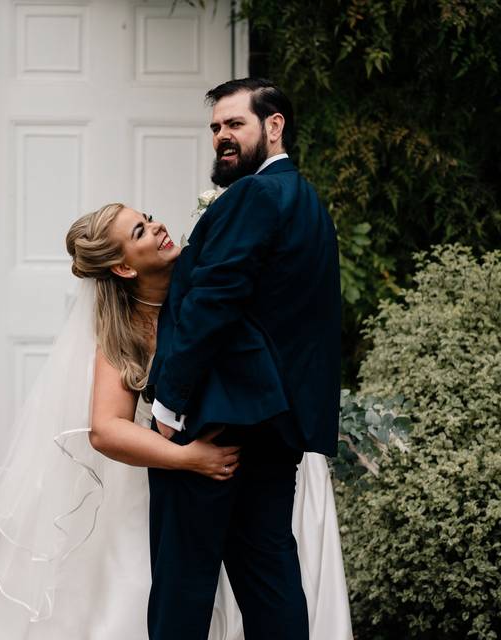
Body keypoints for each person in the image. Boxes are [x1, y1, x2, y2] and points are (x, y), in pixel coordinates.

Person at [0, 201, 351, 638]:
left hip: (260, 458)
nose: (159, 227)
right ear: (125, 269)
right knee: (157, 592)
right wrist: (190, 459)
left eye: (147, 218)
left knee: (265, 582)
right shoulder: (124, 330)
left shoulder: (214, 276)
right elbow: (105, 429)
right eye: (141, 232)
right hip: (173, 478)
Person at [145, 78, 343, 639]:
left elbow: (214, 300)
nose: (222, 138)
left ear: (274, 125)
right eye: (215, 128)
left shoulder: (256, 195)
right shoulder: (305, 201)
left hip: (220, 418)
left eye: (235, 124)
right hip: (275, 425)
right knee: (268, 572)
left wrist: (169, 404)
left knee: (184, 579)